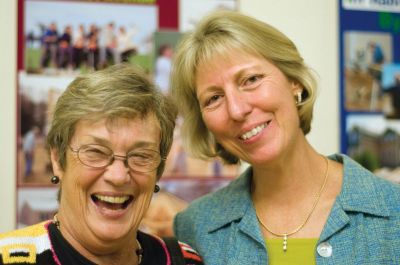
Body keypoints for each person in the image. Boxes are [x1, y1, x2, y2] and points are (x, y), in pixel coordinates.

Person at [170, 10, 400, 265]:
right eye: (213, 98)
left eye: (251, 80)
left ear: (294, 81)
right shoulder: (194, 228)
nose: (237, 110)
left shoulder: (394, 211)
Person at [0, 64, 203, 265]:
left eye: (141, 155)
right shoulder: (8, 258)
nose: (118, 176)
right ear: (58, 160)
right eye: (96, 152)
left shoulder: (185, 260)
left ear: (158, 170)